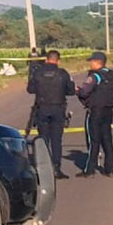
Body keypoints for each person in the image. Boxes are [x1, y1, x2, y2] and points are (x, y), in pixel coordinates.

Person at [25, 50, 74, 179]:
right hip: (58, 109)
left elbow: (30, 89)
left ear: (46, 60)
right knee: (56, 140)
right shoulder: (63, 73)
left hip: (42, 108)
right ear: (58, 61)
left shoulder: (37, 73)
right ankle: (56, 168)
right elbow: (71, 91)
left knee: (43, 139)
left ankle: (43, 168)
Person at [76, 51, 113, 178]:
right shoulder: (111, 75)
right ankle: (110, 169)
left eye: (91, 61)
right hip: (108, 111)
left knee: (93, 141)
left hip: (95, 111)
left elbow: (84, 92)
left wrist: (78, 91)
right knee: (107, 139)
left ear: (97, 62)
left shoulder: (95, 76)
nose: (90, 63)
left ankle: (90, 170)